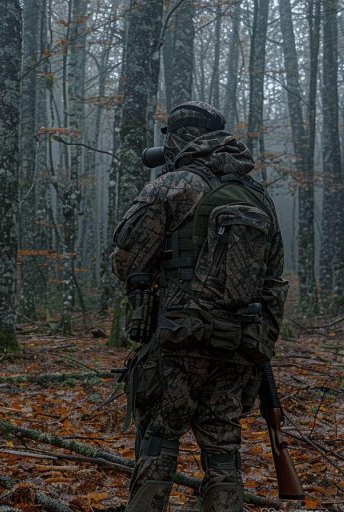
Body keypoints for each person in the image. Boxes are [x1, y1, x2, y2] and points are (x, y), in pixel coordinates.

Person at [110, 101, 289, 512]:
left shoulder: (173, 185)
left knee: (160, 433)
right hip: (240, 343)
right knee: (223, 443)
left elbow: (125, 259)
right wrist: (261, 345)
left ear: (175, 138)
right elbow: (274, 283)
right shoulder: (259, 197)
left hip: (179, 339)